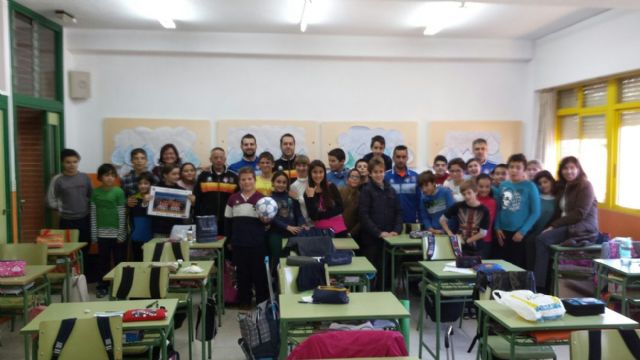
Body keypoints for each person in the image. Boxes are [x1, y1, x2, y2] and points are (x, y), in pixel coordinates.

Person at [534, 157, 598, 292]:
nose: (569, 171)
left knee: (541, 240)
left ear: (578, 169)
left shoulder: (586, 185)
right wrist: (548, 226)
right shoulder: (564, 187)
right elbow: (558, 212)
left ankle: (539, 287)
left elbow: (579, 214)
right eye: (565, 168)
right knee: (534, 238)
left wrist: (553, 226)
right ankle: (537, 280)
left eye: (572, 168)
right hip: (566, 226)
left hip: (580, 228)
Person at [224, 167, 269, 307]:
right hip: (239, 243)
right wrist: (229, 240)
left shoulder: (262, 199)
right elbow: (227, 221)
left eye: (249, 179)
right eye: (243, 179)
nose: (246, 182)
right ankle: (244, 301)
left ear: (255, 181)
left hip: (257, 243)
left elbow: (267, 221)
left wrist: (265, 220)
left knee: (259, 274)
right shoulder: (233, 199)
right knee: (242, 274)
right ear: (239, 181)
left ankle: (262, 301)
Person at [358, 158, 402, 290]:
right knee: (371, 271)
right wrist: (378, 233)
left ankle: (386, 296)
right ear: (370, 174)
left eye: (381, 171)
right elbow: (363, 216)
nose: (379, 174)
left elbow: (399, 212)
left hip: (389, 238)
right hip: (372, 239)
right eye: (375, 172)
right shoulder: (366, 191)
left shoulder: (391, 190)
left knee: (387, 271)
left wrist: (396, 230)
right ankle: (370, 300)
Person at [46, 149, 93, 266]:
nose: (72, 165)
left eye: (75, 162)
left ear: (78, 162)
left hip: (84, 219)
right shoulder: (57, 179)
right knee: (67, 250)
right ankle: (70, 276)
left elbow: (91, 196)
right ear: (62, 163)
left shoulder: (85, 177)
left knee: (84, 249)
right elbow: (50, 200)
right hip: (66, 220)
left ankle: (83, 277)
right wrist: (61, 207)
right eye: (68, 162)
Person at [494, 154, 540, 269]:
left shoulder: (530, 186)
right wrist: (497, 226)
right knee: (502, 265)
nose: (514, 170)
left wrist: (522, 231)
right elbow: (499, 207)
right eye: (511, 167)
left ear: (524, 170)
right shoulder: (503, 185)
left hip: (519, 233)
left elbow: (535, 212)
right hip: (502, 232)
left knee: (517, 266)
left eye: (518, 167)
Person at [90, 164, 126, 298]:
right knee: (103, 261)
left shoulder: (119, 192)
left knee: (119, 261)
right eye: (106, 175)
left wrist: (121, 233)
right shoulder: (95, 192)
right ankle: (103, 286)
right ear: (100, 177)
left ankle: (120, 285)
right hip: (101, 234)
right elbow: (93, 214)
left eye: (112, 175)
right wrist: (94, 234)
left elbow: (122, 213)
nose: (109, 178)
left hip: (117, 234)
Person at [193, 147, 238, 236]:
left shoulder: (234, 177)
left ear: (225, 159)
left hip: (227, 220)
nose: (218, 160)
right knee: (209, 247)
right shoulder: (203, 176)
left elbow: (237, 200)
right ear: (210, 159)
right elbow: (197, 198)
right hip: (206, 221)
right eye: (215, 157)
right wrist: (198, 217)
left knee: (226, 247)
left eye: (221, 157)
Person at [440, 180, 491, 258]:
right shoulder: (458, 206)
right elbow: (442, 220)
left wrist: (467, 241)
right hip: (459, 248)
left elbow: (483, 233)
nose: (466, 196)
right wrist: (450, 234)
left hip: (477, 249)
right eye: (464, 194)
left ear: (476, 192)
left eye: (469, 193)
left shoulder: (484, 210)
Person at [268, 171, 305, 272]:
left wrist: (302, 224)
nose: (281, 184)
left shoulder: (292, 198)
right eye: (278, 182)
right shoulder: (269, 200)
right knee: (277, 260)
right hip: (276, 234)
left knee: (292, 261)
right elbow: (272, 218)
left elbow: (299, 214)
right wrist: (287, 227)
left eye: (284, 182)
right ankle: (275, 284)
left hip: (293, 235)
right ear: (273, 183)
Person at [304, 160, 347, 237]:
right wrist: (310, 198)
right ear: (310, 173)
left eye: (321, 172)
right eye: (315, 172)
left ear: (324, 173)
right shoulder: (307, 192)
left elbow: (341, 208)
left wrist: (321, 215)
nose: (318, 175)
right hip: (321, 231)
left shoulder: (331, 187)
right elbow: (313, 216)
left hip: (338, 229)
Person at [526, 170, 559, 271]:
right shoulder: (536, 198)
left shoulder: (558, 199)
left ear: (551, 181)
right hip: (534, 234)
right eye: (540, 183)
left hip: (550, 236)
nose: (543, 185)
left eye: (545, 182)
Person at [151, 164, 195, 236]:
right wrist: (146, 201)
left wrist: (192, 203)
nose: (177, 176)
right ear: (165, 175)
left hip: (177, 229)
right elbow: (148, 208)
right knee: (160, 247)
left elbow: (186, 212)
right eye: (174, 174)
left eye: (178, 174)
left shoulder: (183, 191)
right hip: (159, 229)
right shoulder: (155, 190)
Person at [385, 145, 419, 228]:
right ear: (393, 158)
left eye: (404, 157)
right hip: (390, 223)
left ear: (407, 158)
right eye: (398, 157)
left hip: (411, 223)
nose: (401, 160)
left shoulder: (416, 177)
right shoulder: (385, 177)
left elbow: (420, 201)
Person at [129, 172, 154, 261]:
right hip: (137, 237)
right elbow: (134, 215)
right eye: (140, 184)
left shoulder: (156, 199)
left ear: (151, 185)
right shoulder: (133, 199)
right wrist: (144, 202)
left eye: (146, 183)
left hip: (152, 237)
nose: (143, 186)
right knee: (138, 260)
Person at [476, 174, 497, 257]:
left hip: (485, 240)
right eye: (481, 186)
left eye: (487, 187)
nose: (484, 189)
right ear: (476, 186)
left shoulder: (492, 202)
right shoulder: (471, 199)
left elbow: (488, 222)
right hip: (469, 239)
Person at [339, 169, 363, 242]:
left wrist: (351, 234)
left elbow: (361, 220)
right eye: (352, 176)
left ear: (360, 181)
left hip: (352, 234)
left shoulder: (362, 197)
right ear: (347, 180)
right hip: (337, 230)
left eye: (357, 177)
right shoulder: (340, 191)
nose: (354, 179)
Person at [289, 155, 313, 226]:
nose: (301, 168)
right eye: (298, 165)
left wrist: (298, 198)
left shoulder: (313, 181)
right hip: (303, 224)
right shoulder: (293, 186)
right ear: (295, 167)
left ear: (308, 167)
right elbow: (296, 209)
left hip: (317, 222)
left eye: (304, 165)